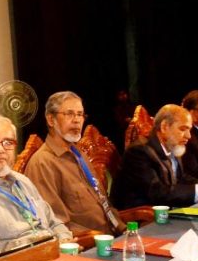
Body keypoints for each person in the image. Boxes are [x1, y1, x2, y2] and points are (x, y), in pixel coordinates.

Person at [0, 115, 73, 252]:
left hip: (56, 255)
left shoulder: (23, 181)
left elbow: (53, 222)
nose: (0, 149)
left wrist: (64, 239)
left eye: (8, 142)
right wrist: (37, 243)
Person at [25, 91, 126, 235]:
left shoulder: (79, 154)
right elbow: (55, 224)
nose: (77, 120)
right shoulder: (43, 163)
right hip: (86, 245)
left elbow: (103, 203)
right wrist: (95, 237)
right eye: (69, 114)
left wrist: (124, 230)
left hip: (112, 234)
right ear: (51, 120)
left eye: (80, 114)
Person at [111, 105, 198, 209]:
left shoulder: (172, 145)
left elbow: (181, 178)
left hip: (168, 209)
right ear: (164, 127)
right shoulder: (139, 152)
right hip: (144, 219)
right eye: (183, 129)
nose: (188, 136)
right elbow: (158, 192)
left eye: (189, 130)